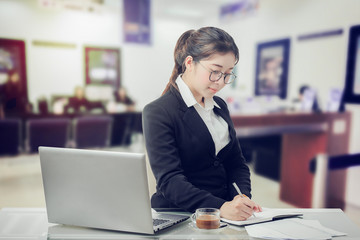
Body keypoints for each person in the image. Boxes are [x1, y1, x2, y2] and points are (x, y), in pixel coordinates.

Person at [142, 27, 262, 221]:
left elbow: (236, 163)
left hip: (225, 215)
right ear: (190, 63)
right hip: (179, 213)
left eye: (228, 74)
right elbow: (170, 181)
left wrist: (241, 197)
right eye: (215, 71)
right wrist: (220, 208)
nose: (221, 81)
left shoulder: (219, 105)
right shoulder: (158, 111)